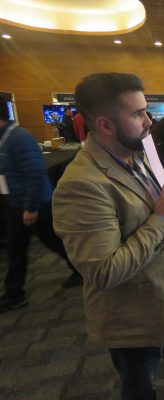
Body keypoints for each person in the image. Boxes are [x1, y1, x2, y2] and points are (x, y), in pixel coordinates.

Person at [52, 73, 164, 400]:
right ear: (105, 125)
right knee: (140, 386)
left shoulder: (140, 148)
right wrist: (161, 220)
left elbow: (162, 194)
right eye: (137, 114)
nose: (149, 122)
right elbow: (103, 270)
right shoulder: (81, 184)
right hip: (137, 312)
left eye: (146, 111)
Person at [0, 98, 82, 313]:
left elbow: (35, 174)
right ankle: (14, 293)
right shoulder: (6, 138)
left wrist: (31, 207)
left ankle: (82, 269)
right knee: (17, 250)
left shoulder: (19, 138)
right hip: (17, 204)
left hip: (35, 204)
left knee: (53, 242)